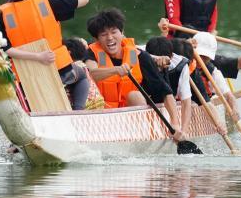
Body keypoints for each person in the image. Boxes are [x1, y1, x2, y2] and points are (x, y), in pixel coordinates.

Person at [0, 0, 90, 110]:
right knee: (82, 76)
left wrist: (37, 57)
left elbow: (3, 48)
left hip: (26, 80)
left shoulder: (5, 14)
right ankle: (78, 113)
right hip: (57, 71)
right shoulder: (49, 4)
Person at [84, 8, 185, 141]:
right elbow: (92, 73)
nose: (109, 38)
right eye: (103, 34)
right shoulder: (91, 53)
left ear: (122, 33)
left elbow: (166, 92)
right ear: (96, 39)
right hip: (103, 116)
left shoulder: (139, 56)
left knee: (135, 95)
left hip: (132, 120)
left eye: (114, 32)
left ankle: (141, 137)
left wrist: (175, 124)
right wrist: (115, 70)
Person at [144, 37, 193, 135]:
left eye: (162, 65)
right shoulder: (141, 55)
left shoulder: (181, 65)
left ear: (171, 57)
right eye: (156, 65)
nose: (159, 68)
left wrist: (183, 131)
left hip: (169, 97)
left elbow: (186, 102)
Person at [192, 31, 240, 121]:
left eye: (205, 57)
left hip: (203, 104)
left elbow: (229, 96)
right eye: (199, 55)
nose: (200, 60)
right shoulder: (180, 63)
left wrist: (235, 110)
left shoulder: (213, 71)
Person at [63, 37, 105, 110]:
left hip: (86, 109)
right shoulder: (83, 66)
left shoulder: (75, 68)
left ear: (68, 52)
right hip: (98, 104)